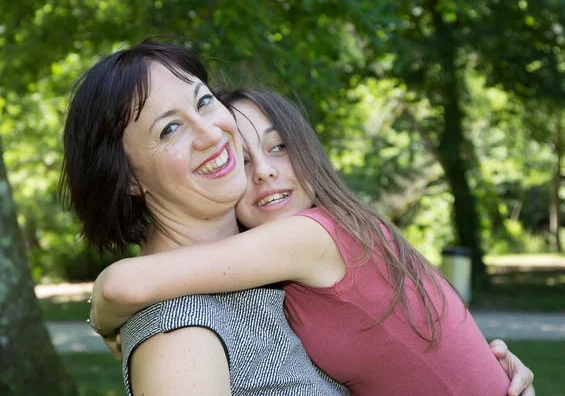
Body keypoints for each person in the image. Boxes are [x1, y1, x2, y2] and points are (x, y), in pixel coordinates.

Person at [92, 86, 535, 395]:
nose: (264, 170)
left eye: (279, 147)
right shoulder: (302, 257)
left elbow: (120, 286)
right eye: (242, 161)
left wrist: (104, 318)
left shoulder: (313, 235)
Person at [61, 40, 351, 396]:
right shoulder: (178, 333)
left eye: (203, 101)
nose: (210, 134)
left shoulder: (269, 255)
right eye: (170, 129)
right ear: (130, 180)